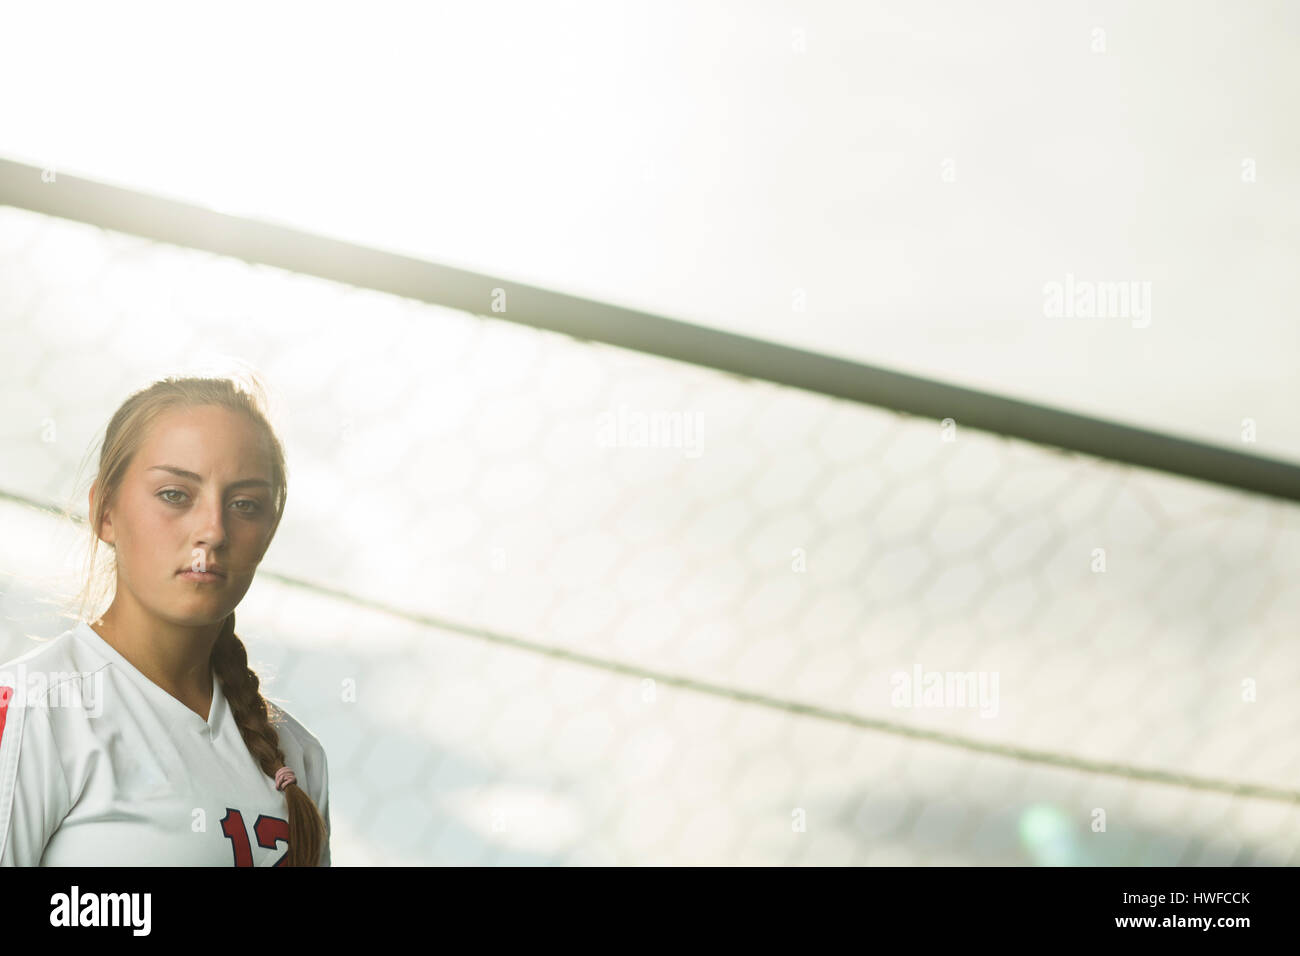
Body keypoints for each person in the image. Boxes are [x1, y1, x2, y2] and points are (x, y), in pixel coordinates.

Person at [0, 374, 330, 865]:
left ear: (269, 531)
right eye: (176, 494)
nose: (213, 530)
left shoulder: (298, 755)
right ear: (104, 512)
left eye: (245, 505)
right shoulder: (36, 709)